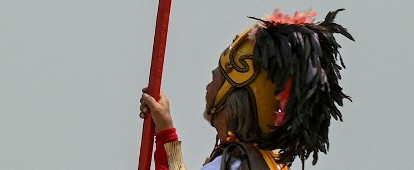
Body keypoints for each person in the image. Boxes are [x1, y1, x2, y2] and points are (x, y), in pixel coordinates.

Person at [139, 9, 353, 170]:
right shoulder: (268, 162)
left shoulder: (236, 162)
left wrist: (166, 132)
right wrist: (165, 130)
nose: (207, 85)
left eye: (215, 77)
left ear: (232, 98)